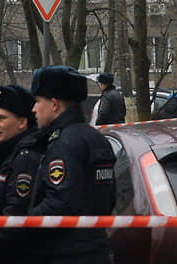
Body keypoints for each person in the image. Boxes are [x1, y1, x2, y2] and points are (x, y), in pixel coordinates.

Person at [22, 65, 116, 263]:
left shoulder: (63, 143)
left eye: (38, 101)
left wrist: (25, 223)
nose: (33, 109)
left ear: (54, 104)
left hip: (64, 253)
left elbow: (59, 205)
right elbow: (110, 199)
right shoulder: (96, 138)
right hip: (96, 249)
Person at [0, 85, 42, 261]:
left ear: (22, 122)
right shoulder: (9, 154)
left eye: (0, 119)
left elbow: (15, 217)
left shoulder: (25, 159)